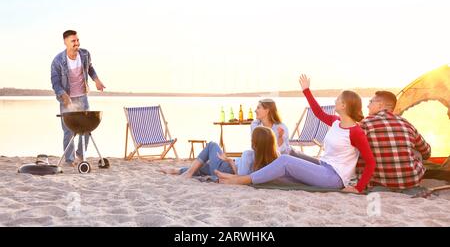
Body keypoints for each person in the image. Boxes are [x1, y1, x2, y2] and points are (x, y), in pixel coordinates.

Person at [216, 74, 376, 194]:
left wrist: (358, 188)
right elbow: (318, 112)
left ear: (344, 105)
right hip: (323, 166)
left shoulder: (355, 132)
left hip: (333, 177)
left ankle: (241, 179)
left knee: (285, 160)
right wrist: (306, 90)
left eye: (337, 99)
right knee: (290, 153)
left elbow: (370, 162)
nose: (334, 101)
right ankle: (252, 171)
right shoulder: (335, 121)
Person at [51, 30, 106, 166]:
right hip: (67, 99)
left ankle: (81, 154)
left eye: (77, 40)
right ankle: (69, 160)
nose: (76, 43)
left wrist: (97, 80)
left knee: (87, 128)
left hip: (82, 97)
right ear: (65, 42)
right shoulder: (58, 61)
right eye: (73, 41)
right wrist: (64, 96)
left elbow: (90, 68)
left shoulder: (85, 54)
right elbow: (55, 82)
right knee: (68, 131)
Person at [356, 91, 432, 189]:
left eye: (371, 102)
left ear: (380, 105)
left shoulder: (365, 124)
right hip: (410, 182)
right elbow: (426, 152)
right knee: (416, 151)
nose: (367, 105)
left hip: (377, 182)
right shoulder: (406, 123)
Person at [159, 126, 279, 180]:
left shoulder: (249, 154)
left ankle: (188, 173)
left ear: (256, 142)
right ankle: (176, 171)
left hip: (225, 168)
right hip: (227, 167)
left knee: (212, 145)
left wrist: (230, 161)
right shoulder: (272, 158)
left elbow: (240, 176)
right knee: (202, 168)